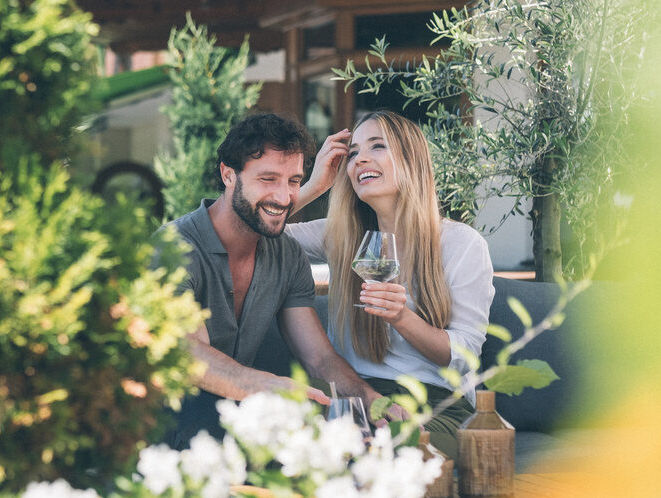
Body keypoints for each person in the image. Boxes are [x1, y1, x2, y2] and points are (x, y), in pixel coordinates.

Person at [157, 113, 405, 452]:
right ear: (229, 175)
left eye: (293, 181)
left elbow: (320, 359)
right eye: (268, 179)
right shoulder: (173, 249)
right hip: (159, 421)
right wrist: (268, 387)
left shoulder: (286, 254)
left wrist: (370, 399)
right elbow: (188, 356)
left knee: (359, 443)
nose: (285, 196)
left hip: (235, 418)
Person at [287, 110, 495, 460]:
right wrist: (313, 187)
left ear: (411, 160)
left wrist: (402, 318)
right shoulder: (339, 235)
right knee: (276, 431)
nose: (360, 159)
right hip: (353, 394)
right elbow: (258, 229)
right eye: (352, 153)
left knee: (380, 455)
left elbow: (464, 356)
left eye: (377, 146)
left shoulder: (461, 244)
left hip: (434, 404)